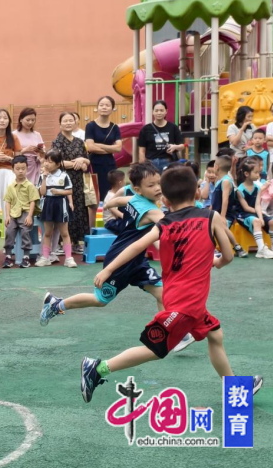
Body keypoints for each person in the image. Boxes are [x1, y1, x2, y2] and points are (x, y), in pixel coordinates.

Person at [80, 166, 263, 403]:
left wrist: (108, 269)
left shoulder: (163, 224)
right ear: (197, 192)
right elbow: (227, 256)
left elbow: (136, 246)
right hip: (185, 305)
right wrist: (217, 262)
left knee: (215, 335)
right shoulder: (212, 217)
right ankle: (97, 369)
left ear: (165, 199)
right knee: (155, 351)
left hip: (186, 300)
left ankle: (235, 387)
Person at [41, 161, 166, 329]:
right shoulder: (153, 212)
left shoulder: (136, 199)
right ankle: (56, 305)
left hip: (137, 261)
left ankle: (167, 331)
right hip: (121, 260)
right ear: (138, 189)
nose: (157, 188)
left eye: (159, 183)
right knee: (100, 300)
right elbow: (171, 224)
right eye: (151, 185)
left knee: (163, 295)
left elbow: (120, 200)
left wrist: (108, 204)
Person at [51, 112, 90, 254]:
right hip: (63, 180)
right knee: (65, 209)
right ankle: (61, 243)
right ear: (60, 124)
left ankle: (76, 243)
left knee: (79, 209)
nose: (68, 123)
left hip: (78, 181)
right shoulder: (57, 142)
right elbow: (56, 162)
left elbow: (87, 160)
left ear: (75, 122)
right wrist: (76, 163)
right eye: (65, 121)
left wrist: (83, 161)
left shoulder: (80, 141)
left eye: (71, 120)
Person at [34, 150, 78, 268]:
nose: (46, 164)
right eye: (46, 161)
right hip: (48, 204)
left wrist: (59, 192)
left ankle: (68, 258)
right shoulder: (42, 176)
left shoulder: (64, 175)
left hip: (61, 204)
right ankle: (45, 258)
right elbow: (42, 193)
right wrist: (44, 178)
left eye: (50, 162)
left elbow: (69, 191)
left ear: (58, 164)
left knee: (64, 233)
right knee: (47, 233)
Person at [3, 155, 39, 269]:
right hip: (13, 213)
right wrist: (7, 216)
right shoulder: (10, 186)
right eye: (18, 169)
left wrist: (29, 216)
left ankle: (26, 257)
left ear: (27, 168)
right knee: (9, 231)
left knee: (25, 231)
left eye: (23, 168)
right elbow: (8, 201)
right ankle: (8, 256)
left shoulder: (30, 186)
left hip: (25, 212)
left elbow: (33, 201)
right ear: (13, 169)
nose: (20, 171)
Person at [85, 97, 122, 201]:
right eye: (101, 105)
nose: (104, 107)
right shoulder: (90, 126)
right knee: (93, 197)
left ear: (112, 108)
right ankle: (96, 212)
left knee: (111, 193)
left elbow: (119, 148)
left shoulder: (115, 127)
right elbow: (90, 147)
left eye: (107, 105)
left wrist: (99, 145)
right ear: (97, 107)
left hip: (110, 165)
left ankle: (111, 212)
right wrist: (110, 149)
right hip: (93, 164)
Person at [235, 159, 273, 258]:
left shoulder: (257, 188)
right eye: (255, 172)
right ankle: (261, 249)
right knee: (256, 221)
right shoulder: (239, 190)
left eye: (258, 172)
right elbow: (246, 208)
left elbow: (257, 205)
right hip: (243, 215)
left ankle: (271, 247)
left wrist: (261, 216)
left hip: (255, 212)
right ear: (246, 174)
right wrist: (259, 218)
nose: (258, 175)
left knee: (271, 222)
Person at [138, 100, 184, 172]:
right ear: (153, 112)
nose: (159, 113)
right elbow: (142, 150)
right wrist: (143, 167)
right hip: (151, 163)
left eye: (161, 110)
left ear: (166, 111)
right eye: (156, 110)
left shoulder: (173, 127)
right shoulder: (145, 129)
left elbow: (182, 146)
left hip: (168, 162)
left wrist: (175, 147)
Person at [14, 108, 45, 184]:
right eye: (28, 120)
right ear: (21, 119)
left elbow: (43, 154)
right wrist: (25, 150)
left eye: (33, 120)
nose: (30, 122)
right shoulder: (14, 134)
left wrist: (40, 151)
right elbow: (10, 153)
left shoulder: (37, 134)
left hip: (34, 166)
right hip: (20, 166)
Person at [102, 170, 126, 234]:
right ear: (120, 183)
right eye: (124, 180)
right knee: (129, 226)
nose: (125, 182)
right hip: (110, 223)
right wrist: (126, 217)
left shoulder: (112, 194)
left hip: (114, 221)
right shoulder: (111, 196)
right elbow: (115, 212)